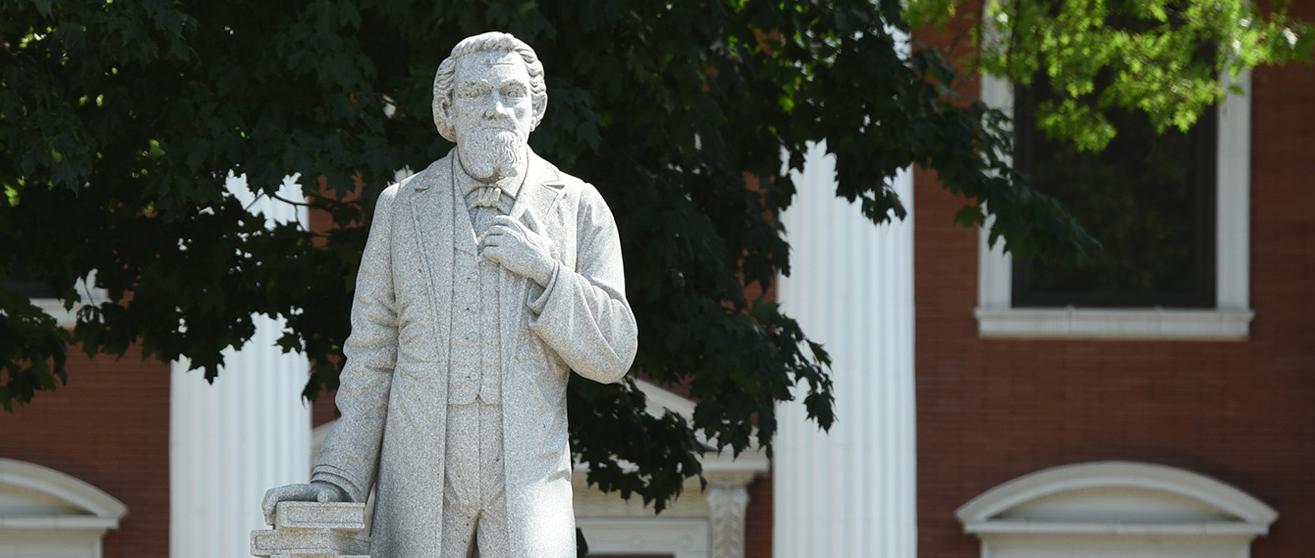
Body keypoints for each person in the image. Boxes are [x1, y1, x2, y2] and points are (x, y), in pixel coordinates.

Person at [261, 31, 638, 558]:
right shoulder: (402, 207)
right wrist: (339, 477)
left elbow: (614, 353)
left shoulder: (578, 206)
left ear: (536, 108)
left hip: (527, 472)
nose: (495, 108)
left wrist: (547, 272)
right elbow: (372, 356)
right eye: (476, 93)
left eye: (511, 93)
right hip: (421, 470)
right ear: (447, 111)